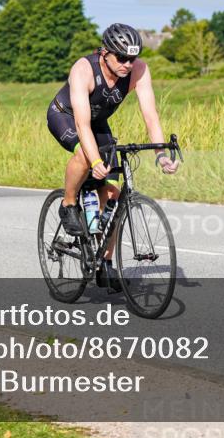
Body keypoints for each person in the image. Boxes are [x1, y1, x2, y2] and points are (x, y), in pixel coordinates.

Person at [46, 23, 180, 289]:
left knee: (115, 199)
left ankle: (105, 264)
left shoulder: (138, 70)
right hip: (66, 116)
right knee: (86, 158)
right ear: (105, 52)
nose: (128, 64)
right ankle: (69, 204)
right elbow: (82, 125)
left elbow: (150, 115)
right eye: (122, 58)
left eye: (132, 58)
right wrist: (95, 161)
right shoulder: (84, 69)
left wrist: (160, 154)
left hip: (97, 123)